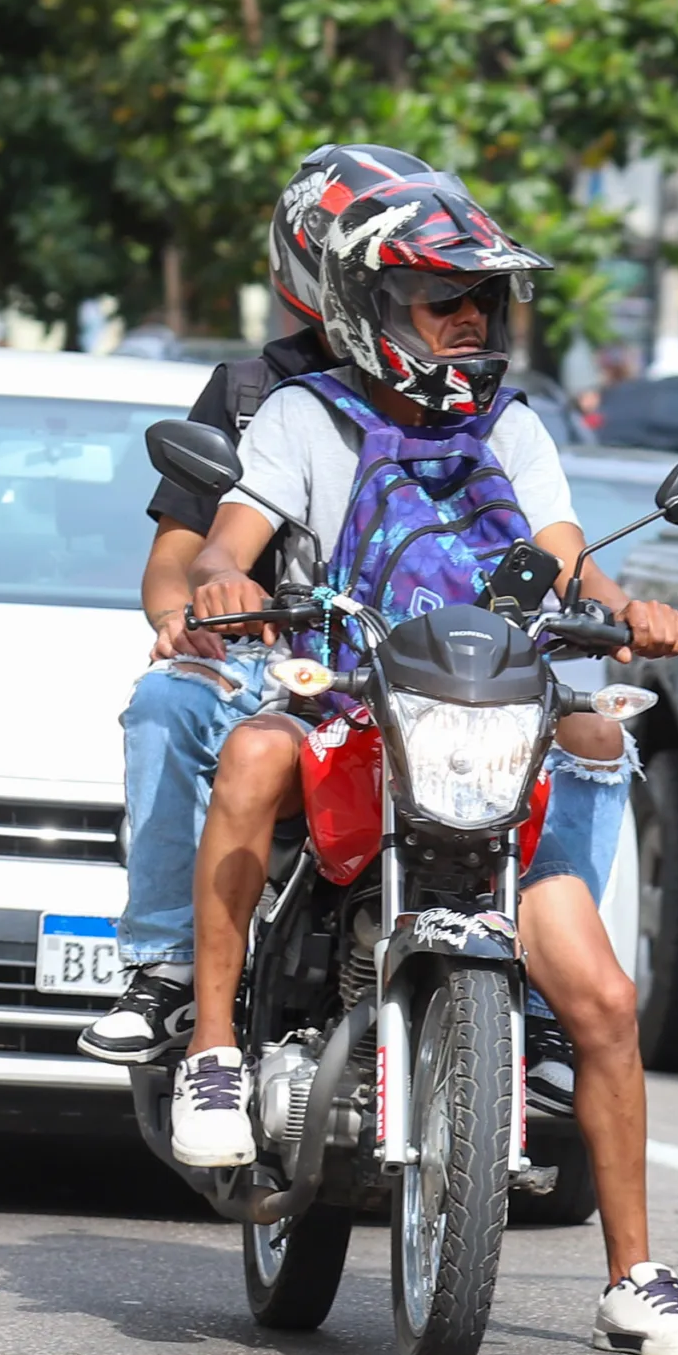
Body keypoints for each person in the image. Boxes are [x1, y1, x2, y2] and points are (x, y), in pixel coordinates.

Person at [176, 174, 678, 1355]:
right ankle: (214, 1049)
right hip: (348, 715)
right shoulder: (302, 418)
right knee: (255, 747)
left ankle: (634, 1274)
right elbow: (233, 536)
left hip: (480, 731)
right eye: (443, 299)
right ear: (377, 301)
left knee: (605, 999)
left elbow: (564, 556)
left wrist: (629, 609)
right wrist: (227, 579)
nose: (471, 319)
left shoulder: (514, 429)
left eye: (483, 299)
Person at [80, 142, 442, 1067]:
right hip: (274, 668)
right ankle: (163, 970)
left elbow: (540, 536)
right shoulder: (252, 392)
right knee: (167, 701)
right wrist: (191, 613)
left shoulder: (464, 395)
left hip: (431, 680)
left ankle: (548, 1007)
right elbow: (178, 561)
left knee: (593, 737)